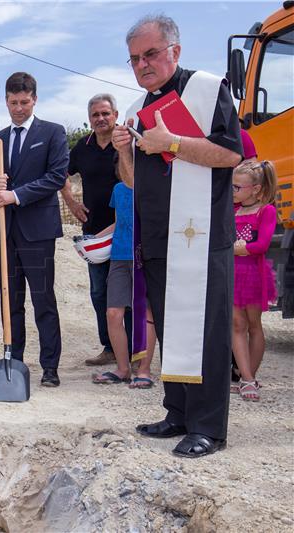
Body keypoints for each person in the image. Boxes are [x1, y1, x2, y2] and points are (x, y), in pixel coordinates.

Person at [113, 15, 243, 458]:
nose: (143, 65)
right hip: (158, 238)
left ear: (175, 50)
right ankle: (179, 412)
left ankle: (209, 427)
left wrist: (170, 143)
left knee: (205, 332)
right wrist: (124, 151)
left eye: (150, 54)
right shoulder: (138, 110)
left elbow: (229, 153)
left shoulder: (208, 91)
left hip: (203, 237)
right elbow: (131, 183)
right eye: (134, 59)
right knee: (172, 327)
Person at [0, 72, 69, 387]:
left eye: (24, 102)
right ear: (6, 101)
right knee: (10, 300)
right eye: (13, 102)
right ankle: (14, 364)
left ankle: (50, 367)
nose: (18, 108)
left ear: (34, 99)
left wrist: (14, 194)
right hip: (5, 233)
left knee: (43, 300)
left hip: (38, 232)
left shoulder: (52, 133)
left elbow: (56, 177)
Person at [61, 94, 124, 367]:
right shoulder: (82, 147)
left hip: (127, 230)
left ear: (115, 115)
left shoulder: (126, 142)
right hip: (94, 233)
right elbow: (60, 173)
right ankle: (109, 348)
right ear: (89, 119)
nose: (101, 119)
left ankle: (134, 349)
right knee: (99, 292)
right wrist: (72, 202)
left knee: (127, 293)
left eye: (105, 113)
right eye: (95, 115)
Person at [91, 178, 157, 388]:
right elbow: (120, 222)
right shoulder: (118, 189)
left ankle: (144, 370)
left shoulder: (152, 186)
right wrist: (90, 240)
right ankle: (122, 369)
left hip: (144, 256)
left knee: (146, 313)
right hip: (118, 256)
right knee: (113, 313)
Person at [232, 160, 278, 401]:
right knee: (236, 325)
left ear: (256, 189)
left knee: (253, 325)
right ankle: (247, 378)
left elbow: (262, 245)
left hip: (252, 275)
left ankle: (248, 376)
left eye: (238, 187)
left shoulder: (266, 211)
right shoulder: (233, 210)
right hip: (233, 273)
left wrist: (241, 249)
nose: (234, 192)